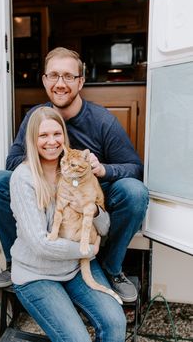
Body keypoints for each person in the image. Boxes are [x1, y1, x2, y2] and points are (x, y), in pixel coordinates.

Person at [0, 47, 149, 302]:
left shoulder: (103, 121)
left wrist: (102, 169)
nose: (60, 84)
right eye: (54, 76)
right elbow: (12, 162)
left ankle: (111, 267)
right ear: (45, 80)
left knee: (135, 192)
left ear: (81, 81)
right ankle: (13, 260)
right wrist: (47, 165)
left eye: (69, 76)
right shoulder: (35, 118)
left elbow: (134, 167)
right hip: (48, 190)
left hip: (89, 193)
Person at [9, 106, 126, 341]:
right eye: (43, 135)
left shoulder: (74, 169)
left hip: (74, 267)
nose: (51, 141)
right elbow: (41, 245)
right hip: (37, 273)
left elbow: (103, 228)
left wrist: (93, 211)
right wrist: (90, 250)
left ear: (64, 137)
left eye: (56, 134)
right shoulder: (23, 178)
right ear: (32, 139)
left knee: (115, 322)